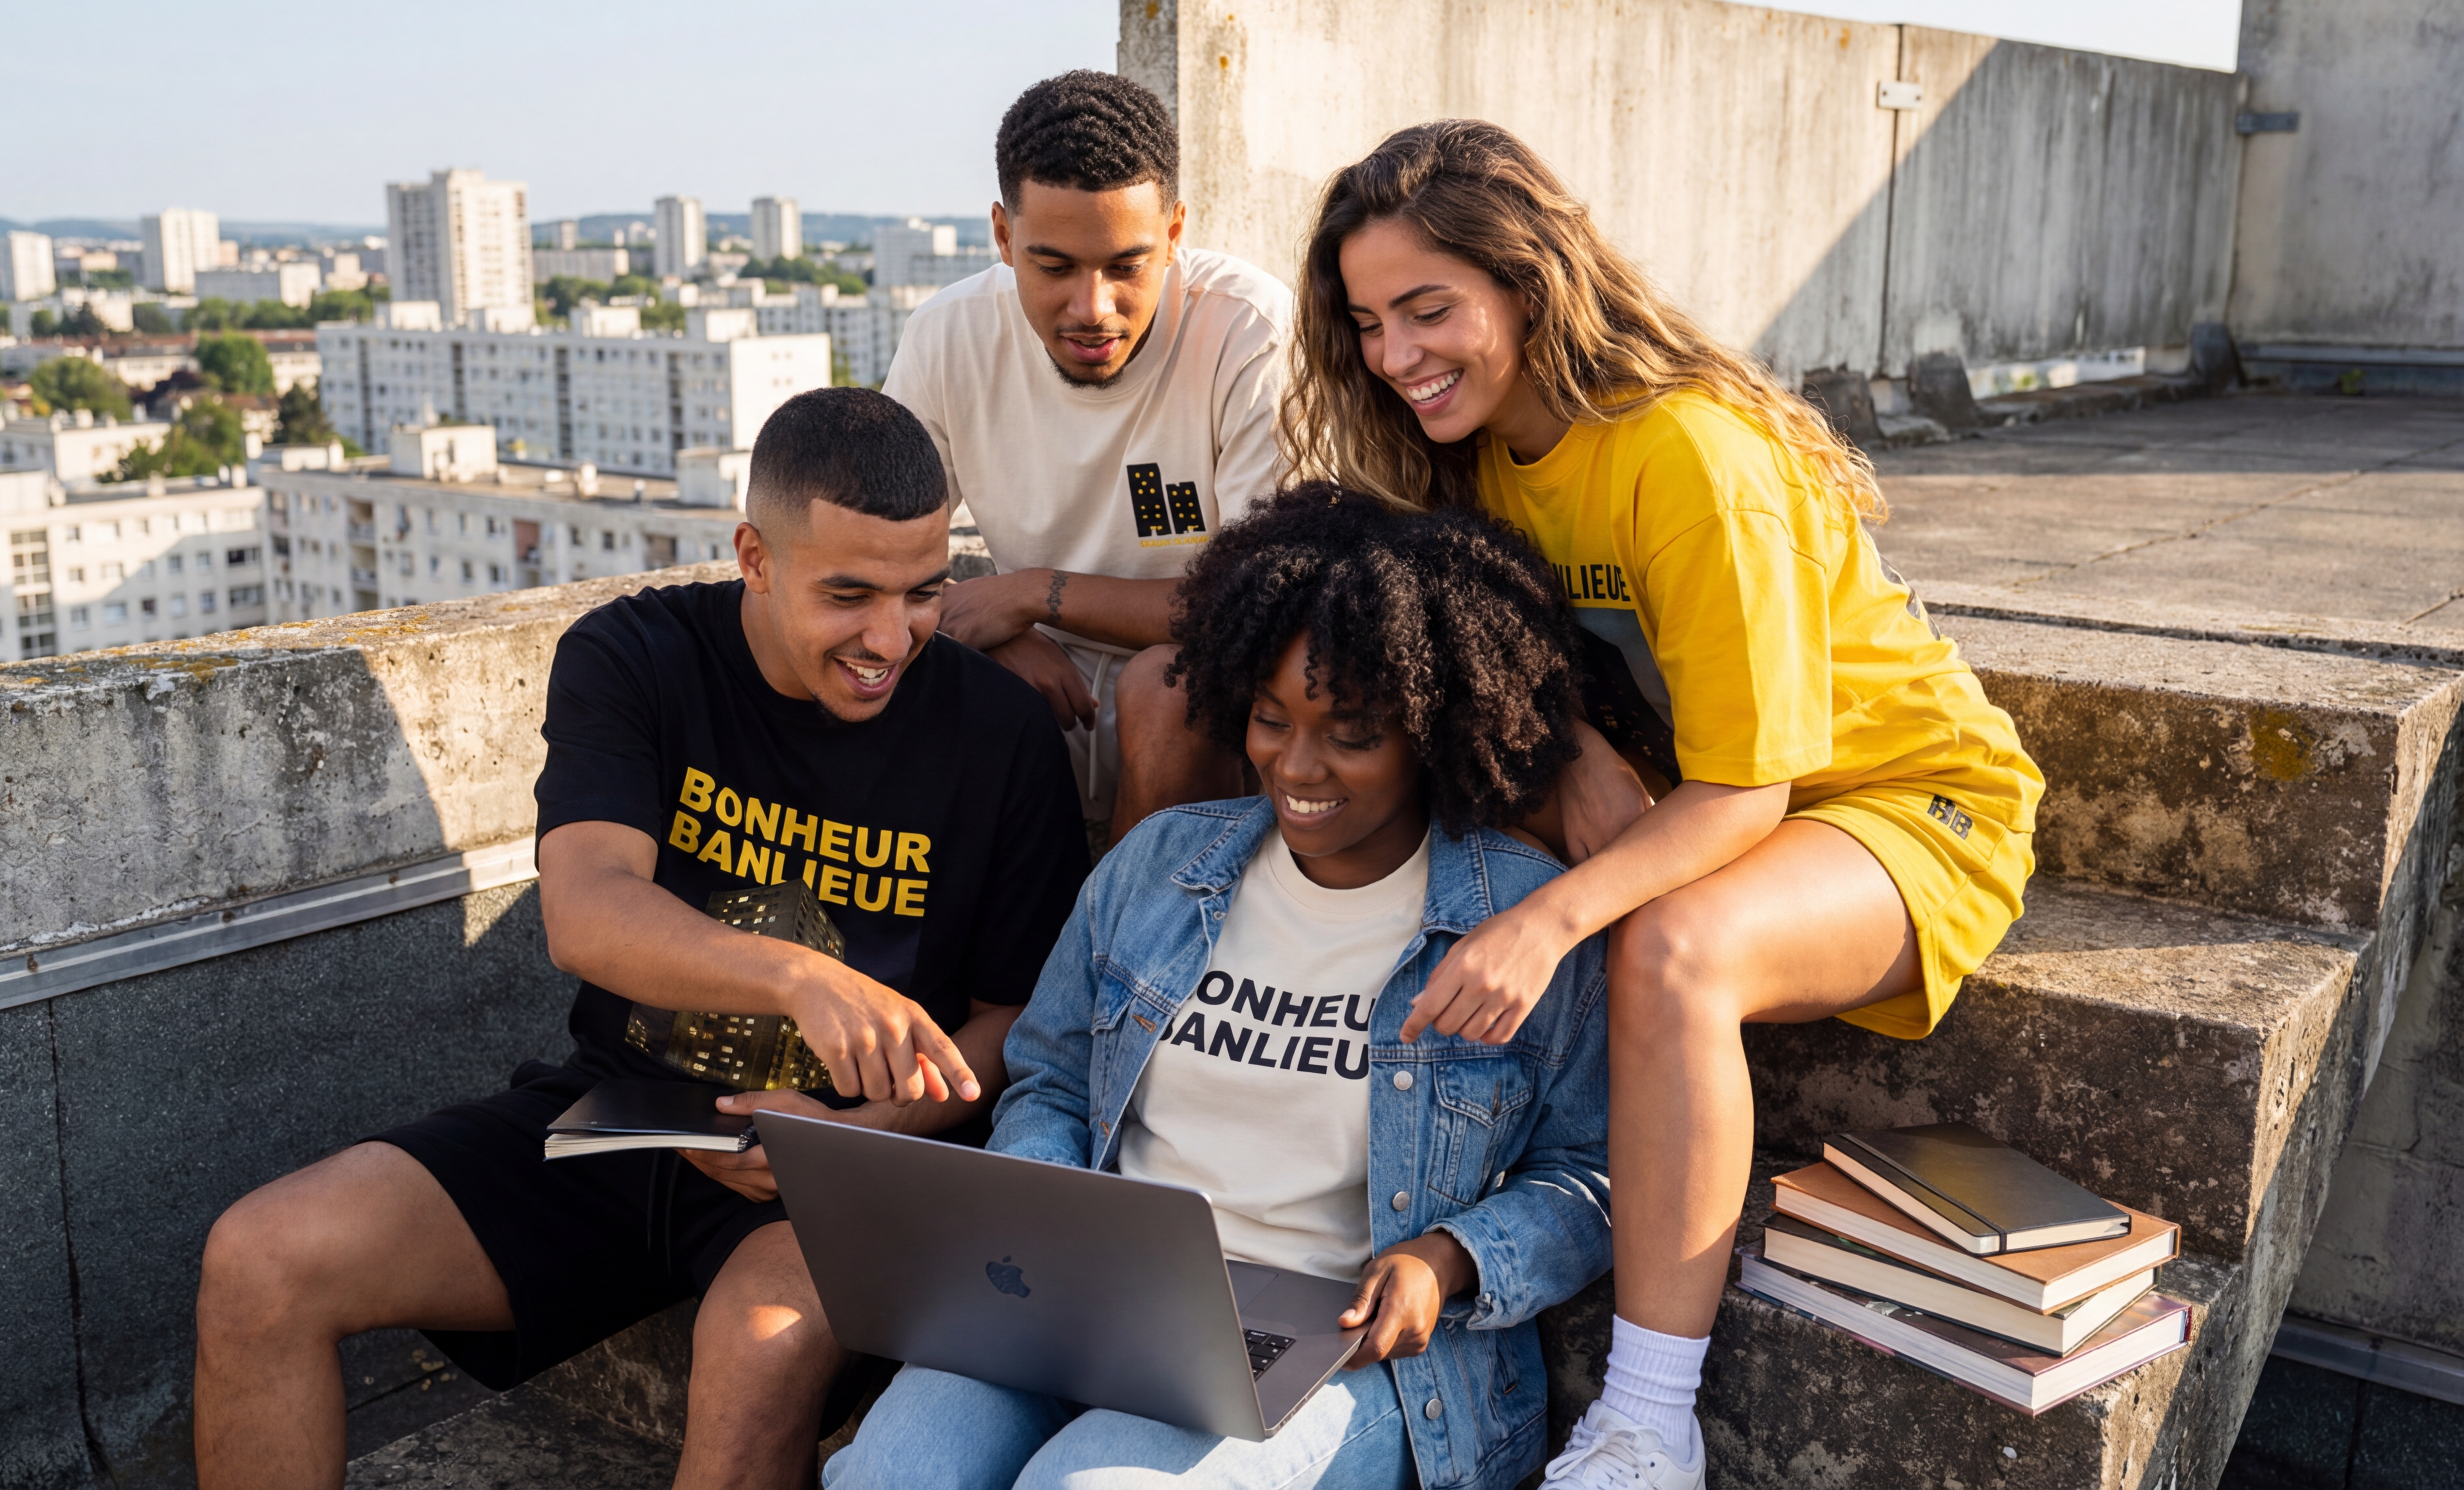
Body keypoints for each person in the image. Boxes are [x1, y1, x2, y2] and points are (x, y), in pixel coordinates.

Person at [1281, 121, 2047, 1489]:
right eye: (1370, 322)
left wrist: (1548, 925)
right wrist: (1569, 741)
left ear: (1528, 283)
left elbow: (1748, 787)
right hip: (1724, 797)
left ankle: (1646, 1424)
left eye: (1429, 310)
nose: (1395, 355)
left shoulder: (1687, 455)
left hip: (1908, 802)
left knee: (1666, 947)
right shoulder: (1475, 450)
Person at [192, 389, 1090, 1490]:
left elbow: (1017, 1026)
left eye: (923, 592)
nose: (889, 639)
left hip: (856, 1165)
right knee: (262, 1259)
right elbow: (586, 910)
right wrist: (801, 980)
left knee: (759, 1350)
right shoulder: (637, 655)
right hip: (626, 1114)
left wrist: (854, 1136)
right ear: (755, 558)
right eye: (848, 595)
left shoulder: (997, 731)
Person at [824, 485, 1615, 1490]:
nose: (1297, 767)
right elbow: (1053, 1081)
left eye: (1351, 735)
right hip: (1097, 1307)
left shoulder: (1520, 923)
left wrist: (1450, 1258)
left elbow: (1591, 1177)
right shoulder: (1159, 868)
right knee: (888, 1474)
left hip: (1342, 1354)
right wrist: (1050, 1218)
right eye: (1270, 721)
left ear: (1431, 727)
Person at [885, 69, 1294, 849]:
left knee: (1169, 689)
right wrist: (992, 625)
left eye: (1126, 266)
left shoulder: (1250, 330)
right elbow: (871, 553)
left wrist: (1035, 594)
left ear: (1175, 232)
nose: (1093, 308)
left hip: (1206, 687)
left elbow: (1263, 607)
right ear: (1004, 237)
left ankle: (1132, 924)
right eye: (1054, 267)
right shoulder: (949, 335)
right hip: (1037, 679)